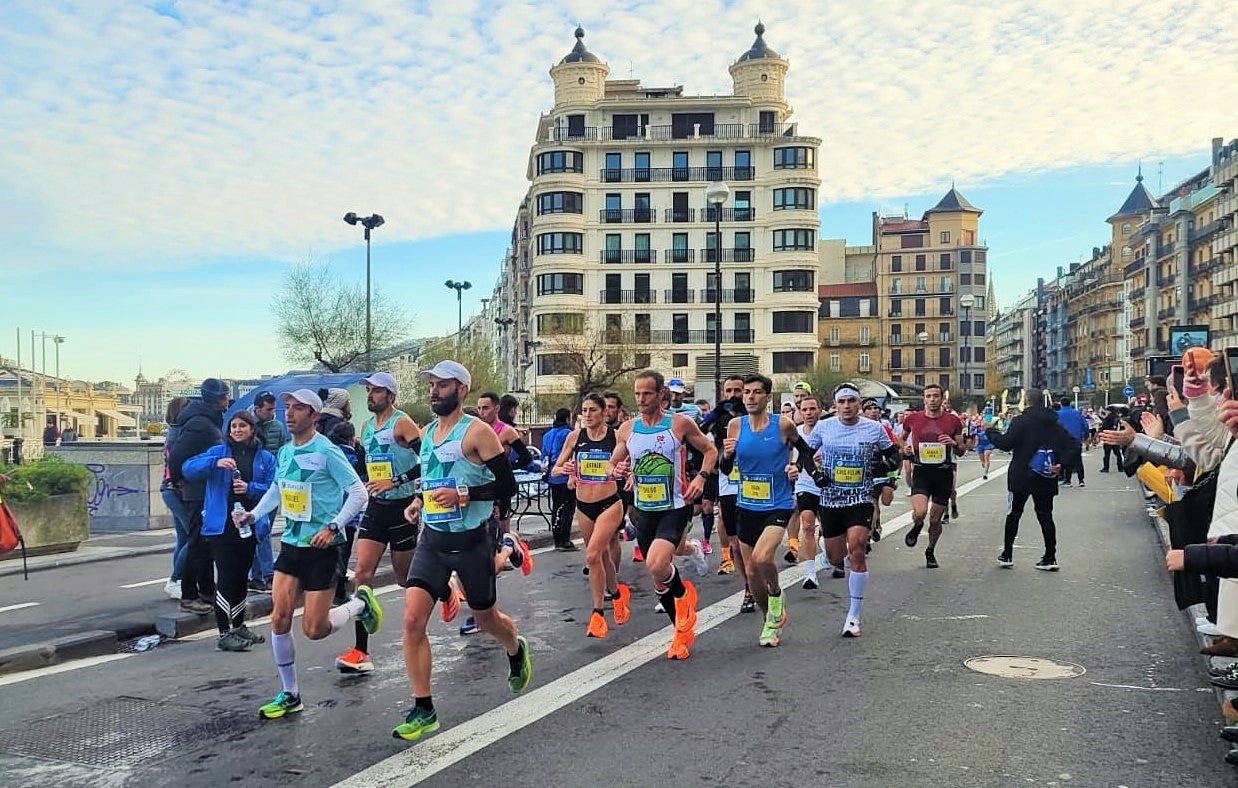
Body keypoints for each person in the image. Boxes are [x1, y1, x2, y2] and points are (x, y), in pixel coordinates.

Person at [394, 361, 530, 742]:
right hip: (433, 540)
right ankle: (424, 708)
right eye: (432, 384)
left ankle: (514, 645)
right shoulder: (427, 433)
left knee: (486, 620)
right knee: (411, 621)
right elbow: (433, 478)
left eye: (442, 385)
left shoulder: (478, 432)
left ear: (462, 390)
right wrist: (419, 502)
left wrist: (464, 495)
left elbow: (507, 488)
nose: (434, 390)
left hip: (472, 540)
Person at [233, 389, 379, 720]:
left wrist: (333, 526)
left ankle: (360, 604)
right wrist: (253, 515)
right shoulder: (285, 452)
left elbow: (358, 492)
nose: (290, 413)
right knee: (279, 617)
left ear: (314, 416)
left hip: (323, 548)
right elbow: (277, 490)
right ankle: (290, 694)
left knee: (315, 629)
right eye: (288, 407)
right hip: (292, 544)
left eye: (298, 408)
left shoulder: (327, 451)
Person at [608, 370, 717, 660]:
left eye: (647, 394)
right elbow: (613, 462)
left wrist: (701, 478)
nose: (641, 399)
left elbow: (710, 450)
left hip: (675, 506)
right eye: (637, 394)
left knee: (657, 564)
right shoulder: (628, 428)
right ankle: (680, 632)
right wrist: (615, 469)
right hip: (643, 510)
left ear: (661, 396)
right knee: (658, 578)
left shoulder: (679, 423)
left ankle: (683, 595)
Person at [722, 374, 822, 647]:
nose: (750, 397)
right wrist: (727, 455)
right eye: (746, 392)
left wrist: (796, 468)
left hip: (777, 503)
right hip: (746, 505)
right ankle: (770, 621)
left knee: (762, 558)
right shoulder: (735, 426)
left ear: (768, 398)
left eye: (756, 393)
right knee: (751, 573)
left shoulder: (784, 425)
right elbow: (725, 469)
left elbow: (805, 451)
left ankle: (777, 593)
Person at [335, 372, 422, 675]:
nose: (370, 395)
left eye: (376, 391)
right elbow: (367, 465)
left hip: (402, 508)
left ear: (391, 395)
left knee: (403, 579)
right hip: (376, 508)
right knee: (362, 573)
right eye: (368, 390)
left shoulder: (403, 423)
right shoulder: (366, 426)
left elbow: (429, 459)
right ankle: (361, 650)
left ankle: (446, 588)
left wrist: (396, 481)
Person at [807, 385, 898, 637]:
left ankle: (853, 617)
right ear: (835, 405)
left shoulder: (874, 429)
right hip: (831, 500)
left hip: (861, 498)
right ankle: (829, 553)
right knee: (837, 558)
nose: (847, 406)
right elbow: (805, 454)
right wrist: (816, 475)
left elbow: (894, 456)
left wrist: (882, 467)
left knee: (857, 548)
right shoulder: (825, 427)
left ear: (859, 404)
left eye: (851, 401)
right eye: (842, 402)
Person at [182, 410, 276, 651]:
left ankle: (239, 625)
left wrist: (250, 488)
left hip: (249, 523)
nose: (237, 430)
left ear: (252, 429)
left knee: (241, 577)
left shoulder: (265, 458)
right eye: (233, 426)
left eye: (242, 426)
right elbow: (188, 468)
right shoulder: (218, 452)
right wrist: (213, 462)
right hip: (221, 525)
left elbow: (273, 489)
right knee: (225, 576)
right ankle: (224, 632)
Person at [552, 393, 631, 639]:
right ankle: (617, 595)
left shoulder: (615, 437)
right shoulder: (575, 437)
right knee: (602, 557)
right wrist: (567, 471)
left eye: (593, 411)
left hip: (609, 503)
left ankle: (597, 613)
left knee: (592, 554)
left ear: (604, 413)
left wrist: (626, 473)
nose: (587, 415)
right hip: (584, 505)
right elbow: (555, 468)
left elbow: (629, 464)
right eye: (584, 411)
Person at [987, 402, 1076, 571]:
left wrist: (990, 431)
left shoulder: (1020, 422)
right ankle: (1050, 556)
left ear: (1027, 403)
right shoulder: (1054, 424)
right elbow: (1073, 445)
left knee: (1014, 514)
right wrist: (1061, 464)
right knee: (1045, 516)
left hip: (1021, 475)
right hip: (1046, 475)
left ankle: (1007, 554)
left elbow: (1006, 443)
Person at [169, 379, 229, 614]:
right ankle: (189, 594)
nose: (227, 400)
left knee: (206, 543)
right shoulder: (200, 424)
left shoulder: (206, 420)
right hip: (197, 490)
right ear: (216, 399)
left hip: (205, 488)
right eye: (224, 396)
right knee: (196, 543)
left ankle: (207, 590)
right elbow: (177, 455)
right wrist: (178, 481)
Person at [901, 384, 966, 569]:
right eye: (928, 396)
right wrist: (905, 449)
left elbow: (961, 450)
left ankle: (930, 550)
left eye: (935, 396)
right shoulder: (913, 419)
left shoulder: (953, 421)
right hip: (921, 471)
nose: (932, 400)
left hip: (943, 473)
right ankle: (917, 524)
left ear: (941, 399)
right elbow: (901, 438)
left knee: (935, 520)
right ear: (924, 399)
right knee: (920, 512)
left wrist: (953, 443)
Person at [248, 391, 287, 593]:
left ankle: (260, 575)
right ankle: (263, 574)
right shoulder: (246, 424)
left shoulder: (277, 426)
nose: (272, 413)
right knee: (259, 531)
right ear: (257, 409)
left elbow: (281, 451)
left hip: (271, 483)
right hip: (252, 485)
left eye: (273, 409)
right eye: (268, 409)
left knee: (263, 531)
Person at [792, 394, 826, 589]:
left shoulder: (829, 431)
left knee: (829, 531)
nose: (808, 413)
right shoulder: (795, 433)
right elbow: (788, 457)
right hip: (805, 485)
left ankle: (828, 553)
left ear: (820, 411)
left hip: (827, 485)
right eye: (804, 409)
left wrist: (826, 459)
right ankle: (810, 574)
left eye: (812, 409)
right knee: (807, 526)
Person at [160, 397, 192, 600]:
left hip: (169, 489)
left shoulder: (173, 432)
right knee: (194, 537)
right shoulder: (182, 434)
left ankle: (176, 581)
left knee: (183, 538)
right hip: (177, 490)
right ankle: (176, 579)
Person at [542, 408, 576, 550]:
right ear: (568, 419)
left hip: (551, 475)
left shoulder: (547, 434)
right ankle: (565, 539)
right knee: (568, 509)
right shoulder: (568, 434)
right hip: (564, 475)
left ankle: (557, 539)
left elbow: (543, 455)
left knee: (556, 507)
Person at [1055, 397, 1088, 487]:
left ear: (1061, 404)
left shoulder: (1057, 414)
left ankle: (1068, 480)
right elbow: (1085, 425)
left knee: (1066, 460)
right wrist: (1085, 436)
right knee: (1078, 460)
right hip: (1077, 440)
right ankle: (1081, 480)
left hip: (1063, 441)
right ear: (1070, 404)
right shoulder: (1077, 413)